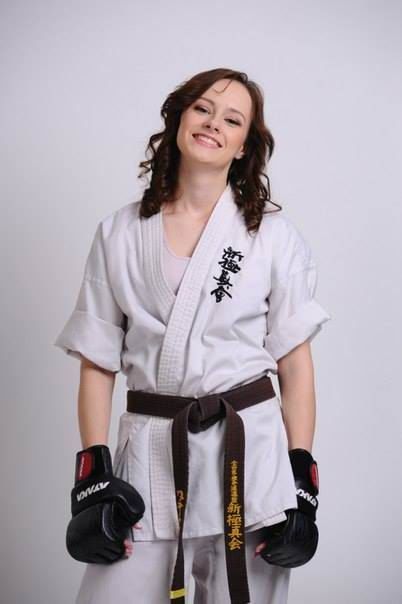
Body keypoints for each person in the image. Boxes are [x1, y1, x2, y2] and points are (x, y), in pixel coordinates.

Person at [54, 67, 331, 604]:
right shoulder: (119, 232)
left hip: (248, 458)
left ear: (244, 144)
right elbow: (97, 359)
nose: (213, 124)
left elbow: (296, 366)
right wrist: (93, 472)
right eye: (203, 108)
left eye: (232, 119)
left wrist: (302, 477)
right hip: (152, 451)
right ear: (179, 116)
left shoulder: (272, 236)